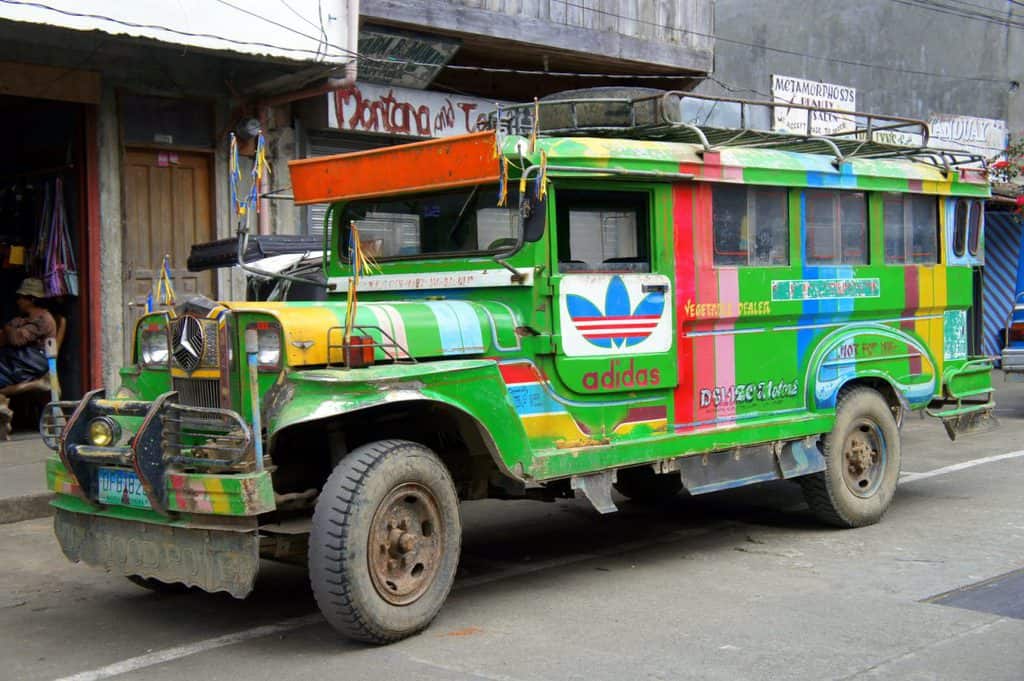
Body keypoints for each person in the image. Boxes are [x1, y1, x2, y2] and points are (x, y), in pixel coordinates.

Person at [0, 278, 56, 389]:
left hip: (30, 364)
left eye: (21, 298)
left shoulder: (43, 319)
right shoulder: (25, 317)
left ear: (32, 299)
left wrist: (5, 326)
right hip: (18, 361)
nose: (18, 301)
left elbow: (17, 339)